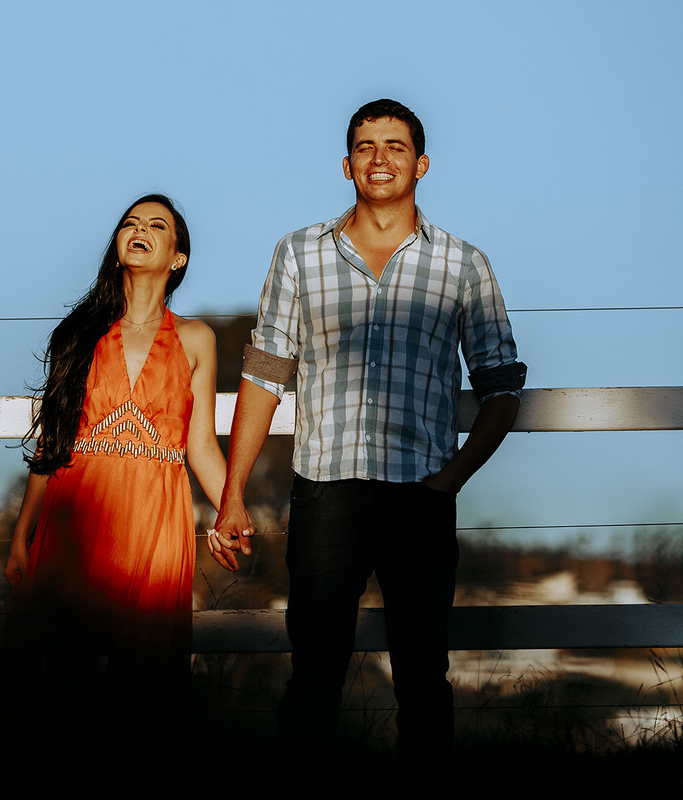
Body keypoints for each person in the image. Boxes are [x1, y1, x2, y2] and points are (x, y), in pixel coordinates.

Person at [210, 99, 527, 773]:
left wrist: (452, 479)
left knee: (422, 678)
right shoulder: (299, 253)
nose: (379, 157)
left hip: (422, 492)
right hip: (327, 492)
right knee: (314, 675)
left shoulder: (463, 265)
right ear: (346, 163)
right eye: (364, 146)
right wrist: (232, 493)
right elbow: (265, 375)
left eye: (395, 145)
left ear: (422, 163)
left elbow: (501, 389)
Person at [0, 193, 228, 783]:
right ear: (117, 245)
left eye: (156, 226)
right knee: (57, 679)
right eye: (130, 224)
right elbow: (51, 446)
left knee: (144, 684)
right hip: (77, 517)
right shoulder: (80, 335)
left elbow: (201, 446)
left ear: (178, 257)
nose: (139, 231)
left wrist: (229, 508)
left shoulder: (197, 339)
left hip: (155, 524)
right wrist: (21, 536)